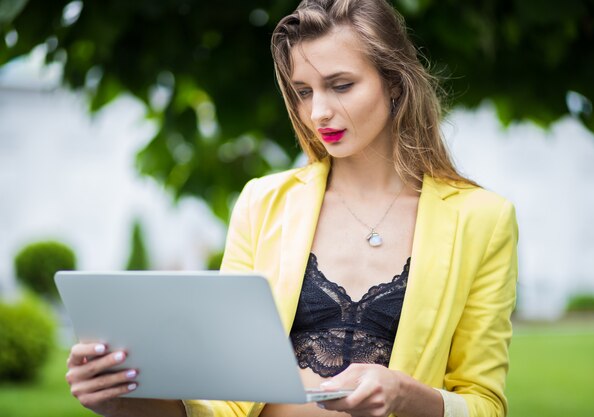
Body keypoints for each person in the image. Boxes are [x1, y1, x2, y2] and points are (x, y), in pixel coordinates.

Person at [64, 1, 518, 416]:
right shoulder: (262, 203)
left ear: (395, 83)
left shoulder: (482, 219)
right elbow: (222, 400)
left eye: (340, 85)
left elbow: (485, 404)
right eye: (303, 91)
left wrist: (405, 394)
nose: (318, 111)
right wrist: (123, 397)